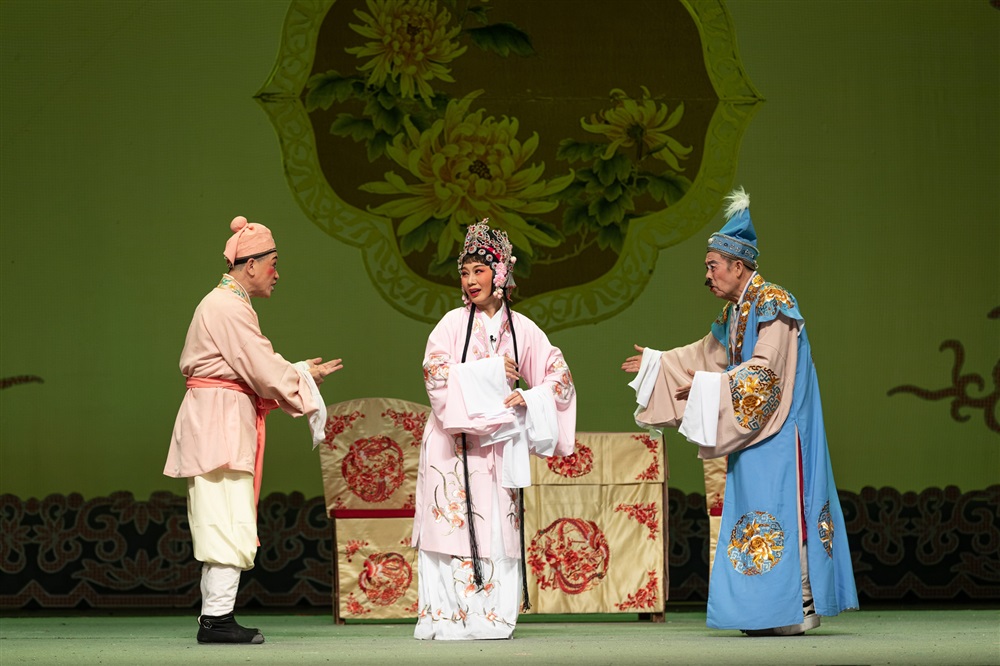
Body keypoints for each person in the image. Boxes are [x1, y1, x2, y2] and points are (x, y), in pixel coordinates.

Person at [622, 188, 857, 636]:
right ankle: (765, 612)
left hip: (784, 431)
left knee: (787, 511)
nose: (707, 275)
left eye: (712, 266)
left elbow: (765, 373)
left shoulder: (774, 304)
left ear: (738, 266)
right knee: (755, 517)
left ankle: (800, 607)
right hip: (754, 435)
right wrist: (658, 364)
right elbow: (704, 356)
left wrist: (708, 386)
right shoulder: (735, 313)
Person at [164, 215, 343, 644]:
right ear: (250, 265)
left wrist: (297, 372)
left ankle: (215, 618)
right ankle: (217, 620)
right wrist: (302, 378)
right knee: (226, 518)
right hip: (218, 421)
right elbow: (260, 366)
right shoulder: (226, 306)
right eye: (273, 264)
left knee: (224, 516)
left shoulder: (228, 303)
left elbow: (252, 365)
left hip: (219, 416)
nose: (277, 274)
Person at [412, 219, 577, 640]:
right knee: (450, 526)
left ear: (500, 274)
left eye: (479, 271)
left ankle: (491, 617)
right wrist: (488, 371)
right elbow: (433, 374)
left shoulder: (523, 330)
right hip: (452, 443)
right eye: (465, 272)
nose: (470, 281)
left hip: (499, 447)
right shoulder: (451, 324)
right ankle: (448, 618)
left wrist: (531, 397)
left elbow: (559, 377)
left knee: (497, 529)